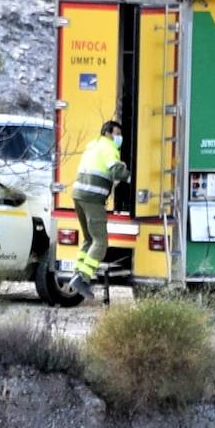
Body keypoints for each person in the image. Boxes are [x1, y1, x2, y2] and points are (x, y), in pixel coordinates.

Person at [66, 120, 130, 299]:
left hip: (78, 195)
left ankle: (77, 274)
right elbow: (116, 171)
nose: (120, 138)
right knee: (100, 242)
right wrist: (133, 177)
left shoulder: (93, 145)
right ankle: (84, 278)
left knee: (88, 239)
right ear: (109, 133)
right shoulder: (108, 147)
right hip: (93, 198)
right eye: (117, 133)